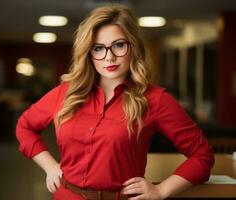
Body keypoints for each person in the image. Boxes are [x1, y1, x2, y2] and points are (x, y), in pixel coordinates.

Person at [16, 5, 214, 200]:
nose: (109, 57)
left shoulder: (155, 100)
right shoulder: (67, 92)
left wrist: (161, 190)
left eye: (119, 45)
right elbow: (25, 126)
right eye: (98, 48)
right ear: (89, 53)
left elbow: (202, 155)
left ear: (133, 46)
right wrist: (50, 166)